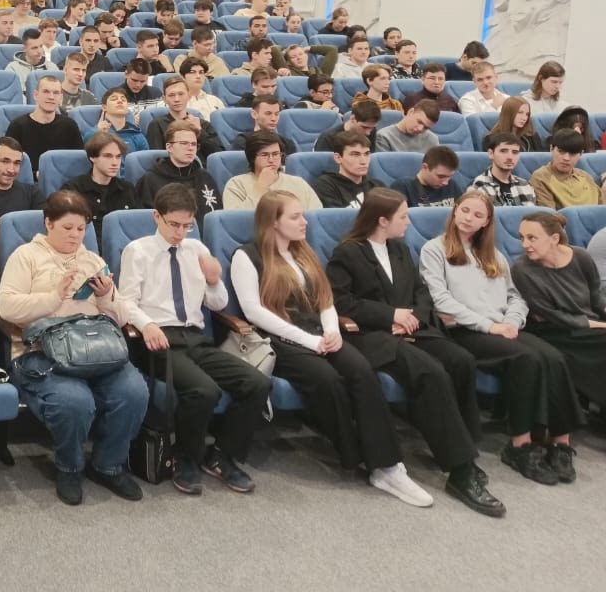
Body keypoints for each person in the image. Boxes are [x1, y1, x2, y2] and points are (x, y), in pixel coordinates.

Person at [231, 191, 433, 507]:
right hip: (279, 339)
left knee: (362, 371)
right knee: (328, 380)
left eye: (303, 215)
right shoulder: (247, 256)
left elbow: (326, 299)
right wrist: (311, 341)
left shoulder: (303, 251)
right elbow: (254, 313)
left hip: (321, 333)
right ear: (273, 222)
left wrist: (331, 331)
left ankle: (387, 466)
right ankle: (357, 454)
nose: (305, 221)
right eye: (295, 216)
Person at [326, 190, 503, 515]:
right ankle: (461, 469)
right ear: (382, 220)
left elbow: (421, 292)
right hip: (372, 335)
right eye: (403, 216)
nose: (409, 222)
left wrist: (413, 318)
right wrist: (391, 316)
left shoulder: (400, 248)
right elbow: (341, 302)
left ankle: (463, 445)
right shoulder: (348, 253)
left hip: (411, 327)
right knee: (430, 372)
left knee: (461, 360)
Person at [420, 193, 583, 485]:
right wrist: (489, 326)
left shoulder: (494, 254)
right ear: (455, 211)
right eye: (464, 210)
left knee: (554, 357)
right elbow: (441, 300)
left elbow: (515, 296)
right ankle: (520, 445)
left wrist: (511, 322)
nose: (468, 218)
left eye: (477, 215)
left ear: (486, 222)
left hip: (503, 326)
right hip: (465, 330)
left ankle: (559, 441)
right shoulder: (434, 249)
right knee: (526, 358)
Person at [0, 190, 148, 505]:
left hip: (94, 348)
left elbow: (121, 317)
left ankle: (108, 465)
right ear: (48, 223)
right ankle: (69, 467)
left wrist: (106, 296)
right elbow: (7, 307)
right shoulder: (26, 256)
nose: (75, 235)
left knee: (133, 391)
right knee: (74, 401)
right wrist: (53, 297)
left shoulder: (92, 260)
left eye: (81, 229)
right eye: (67, 228)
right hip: (41, 352)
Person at [118, 185, 269, 494]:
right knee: (204, 390)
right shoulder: (138, 250)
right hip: (157, 339)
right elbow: (126, 303)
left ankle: (222, 455)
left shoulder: (196, 248)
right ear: (157, 216)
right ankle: (185, 457)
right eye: (174, 224)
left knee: (257, 383)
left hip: (195, 338)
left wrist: (214, 280)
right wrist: (146, 325)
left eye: (187, 225)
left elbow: (217, 303)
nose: (180, 232)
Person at [513, 212, 606, 413]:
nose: (525, 245)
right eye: (522, 238)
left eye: (532, 238)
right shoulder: (522, 269)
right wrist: (600, 325)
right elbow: (554, 316)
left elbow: (596, 298)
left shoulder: (580, 256)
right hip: (554, 330)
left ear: (554, 238)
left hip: (589, 324)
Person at [136, 120, 222, 229]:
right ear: (169, 147)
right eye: (184, 143)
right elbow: (146, 223)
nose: (190, 148)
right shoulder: (150, 180)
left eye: (194, 144)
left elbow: (217, 215)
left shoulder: (205, 177)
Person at [5, 75, 84, 179]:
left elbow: (78, 163)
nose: (51, 97)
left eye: (56, 93)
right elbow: (8, 162)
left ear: (61, 98)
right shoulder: (17, 126)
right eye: (46, 92)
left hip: (63, 181)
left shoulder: (70, 126)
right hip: (27, 182)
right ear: (35, 95)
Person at [61, 133, 137, 239]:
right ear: (92, 157)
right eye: (107, 156)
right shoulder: (73, 189)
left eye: (118, 157)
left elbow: (136, 227)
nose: (115, 163)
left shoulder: (128, 189)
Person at [223, 131, 323, 211]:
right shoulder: (236, 184)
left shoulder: (298, 183)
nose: (271, 160)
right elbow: (236, 221)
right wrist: (260, 188)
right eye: (264, 155)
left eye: (275, 154)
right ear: (252, 158)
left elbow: (316, 218)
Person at [145, 75, 222, 161]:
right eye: (171, 95)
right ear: (164, 99)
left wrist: (200, 132)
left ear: (189, 96)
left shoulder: (203, 125)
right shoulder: (156, 125)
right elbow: (157, 158)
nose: (177, 99)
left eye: (181, 94)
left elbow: (218, 156)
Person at [530, 128, 606, 208]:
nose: (566, 158)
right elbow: (548, 214)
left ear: (580, 154)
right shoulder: (541, 177)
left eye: (572, 154)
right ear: (551, 149)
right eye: (561, 151)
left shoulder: (586, 176)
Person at [312, 130, 385, 208]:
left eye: (366, 154)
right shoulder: (325, 186)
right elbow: (336, 215)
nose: (363, 161)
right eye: (355, 155)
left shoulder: (377, 186)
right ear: (338, 158)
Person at [468, 131, 539, 206]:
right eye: (503, 151)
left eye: (515, 152)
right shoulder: (479, 185)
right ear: (491, 154)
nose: (510, 157)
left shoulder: (525, 185)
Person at [392, 146, 467, 207]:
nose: (446, 182)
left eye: (450, 176)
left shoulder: (452, 185)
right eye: (441, 176)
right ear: (425, 167)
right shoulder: (404, 187)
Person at [84, 88, 149, 153]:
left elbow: (145, 158)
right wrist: (99, 135)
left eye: (123, 100)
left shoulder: (137, 134)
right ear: (104, 107)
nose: (120, 101)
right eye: (114, 99)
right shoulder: (95, 133)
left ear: (127, 108)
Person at [230, 95, 298, 155]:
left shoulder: (287, 144)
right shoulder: (243, 142)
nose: (273, 118)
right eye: (268, 113)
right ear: (254, 114)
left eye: (276, 114)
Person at [374, 100, 441, 153]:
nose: (420, 129)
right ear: (410, 112)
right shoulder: (384, 136)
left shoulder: (432, 140)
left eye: (426, 127)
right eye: (419, 122)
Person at [315, 101, 381, 153]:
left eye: (372, 128)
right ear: (353, 118)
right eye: (364, 127)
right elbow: (322, 164)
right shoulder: (328, 138)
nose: (368, 133)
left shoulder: (371, 131)